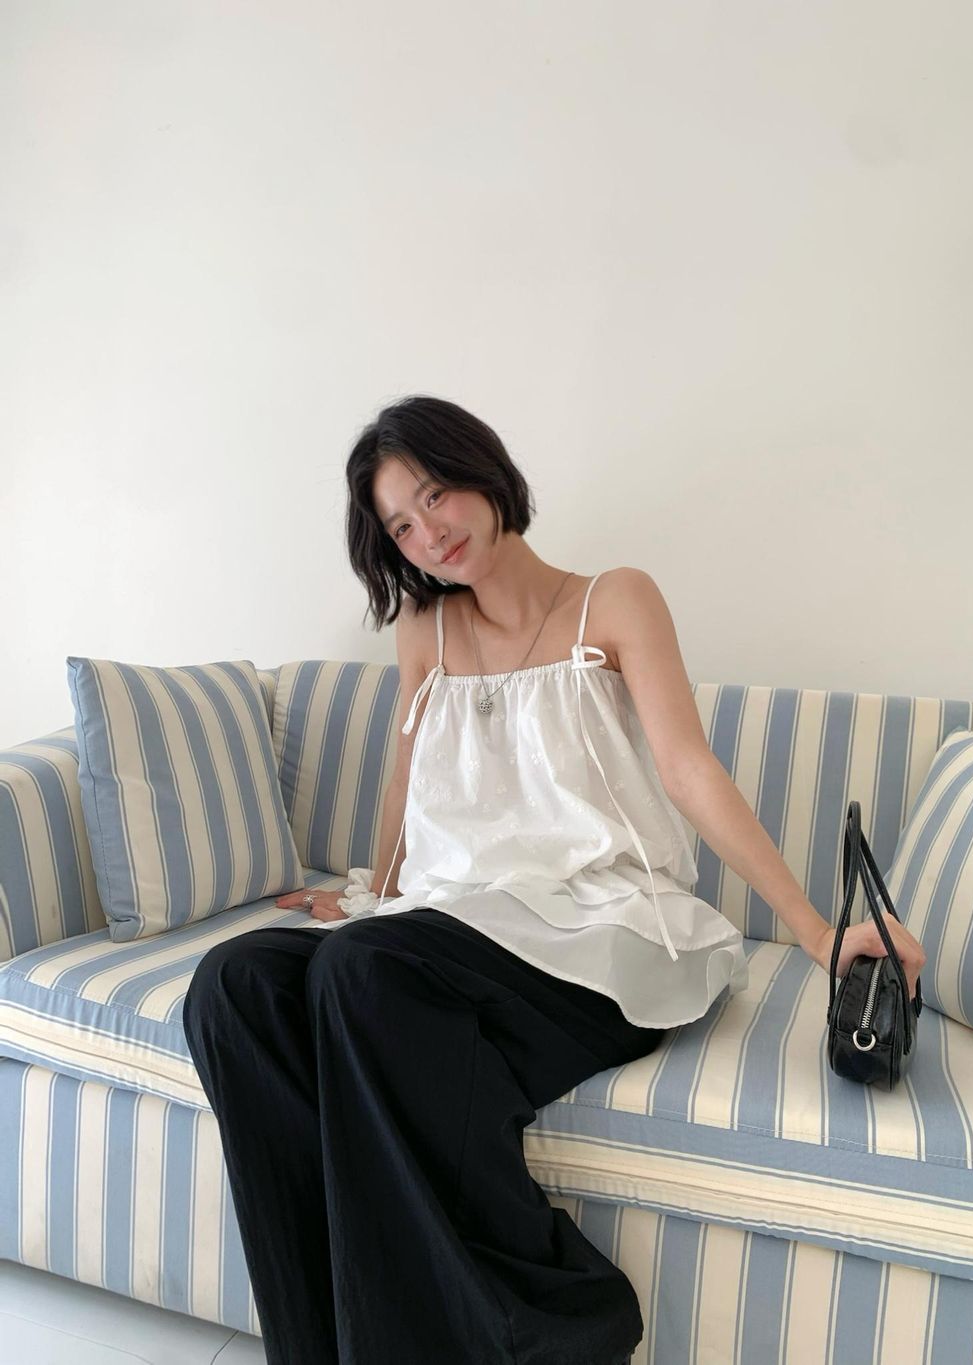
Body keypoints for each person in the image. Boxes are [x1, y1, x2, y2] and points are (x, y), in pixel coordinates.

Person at [182, 395, 927, 1365]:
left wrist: (818, 934)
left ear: (483, 471)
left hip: (603, 936)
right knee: (235, 984)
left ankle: (546, 1317)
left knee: (359, 973)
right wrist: (372, 896)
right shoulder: (422, 629)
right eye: (399, 526)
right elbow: (408, 778)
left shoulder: (613, 600)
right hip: (452, 935)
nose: (426, 533)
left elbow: (686, 769)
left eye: (434, 495)